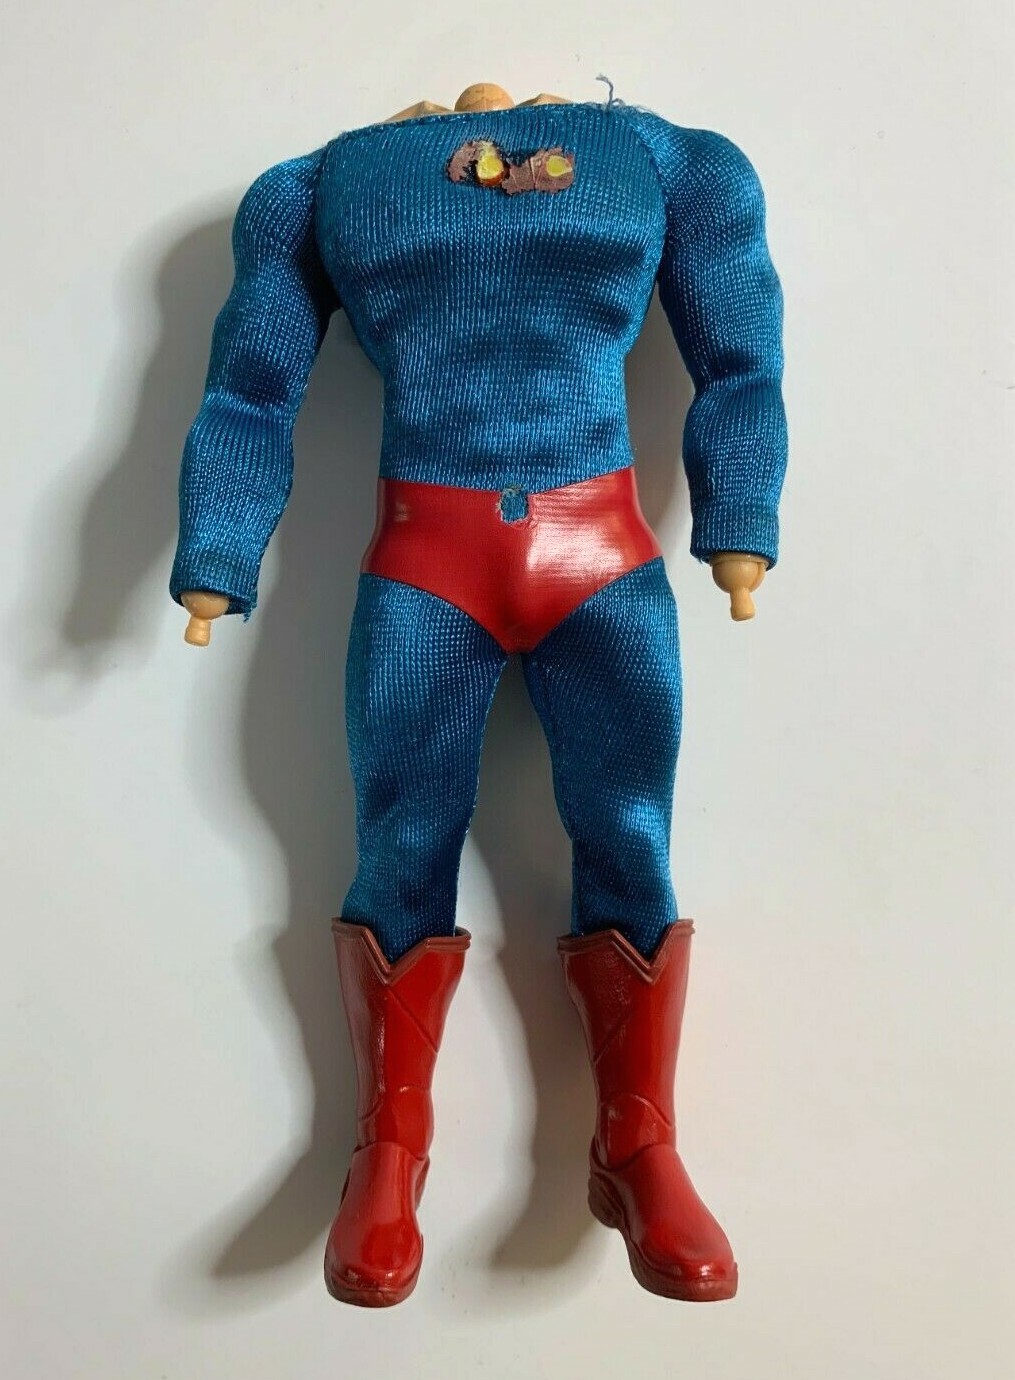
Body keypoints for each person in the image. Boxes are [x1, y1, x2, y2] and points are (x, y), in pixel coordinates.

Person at [170, 82, 787, 1306]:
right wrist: (218, 549)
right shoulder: (323, 185)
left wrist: (740, 510)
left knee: (628, 831)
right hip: (425, 559)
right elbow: (251, 384)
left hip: (598, 552)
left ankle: (639, 1141)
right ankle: (388, 1144)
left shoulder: (664, 160)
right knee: (401, 840)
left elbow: (739, 349)